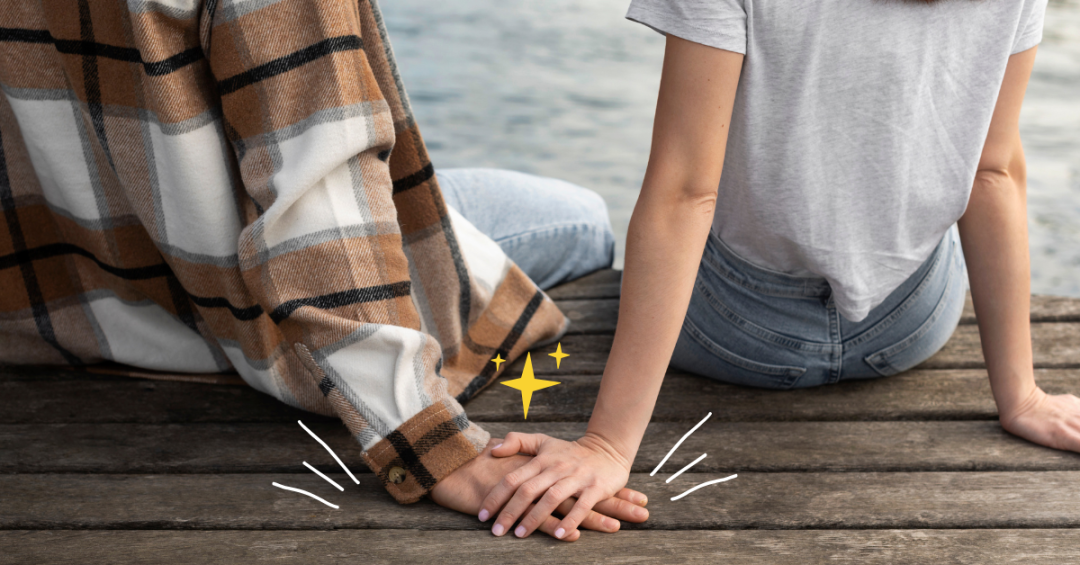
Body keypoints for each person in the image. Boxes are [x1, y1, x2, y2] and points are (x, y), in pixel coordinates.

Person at [0, 0, 646, 540]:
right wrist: (428, 442)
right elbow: (319, 182)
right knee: (581, 216)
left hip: (57, 310)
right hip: (231, 313)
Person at [471, 0, 1076, 542]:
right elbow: (992, 174)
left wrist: (607, 446)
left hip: (738, 334)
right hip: (906, 326)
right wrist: (1021, 396)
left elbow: (684, 194)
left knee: (610, 221)